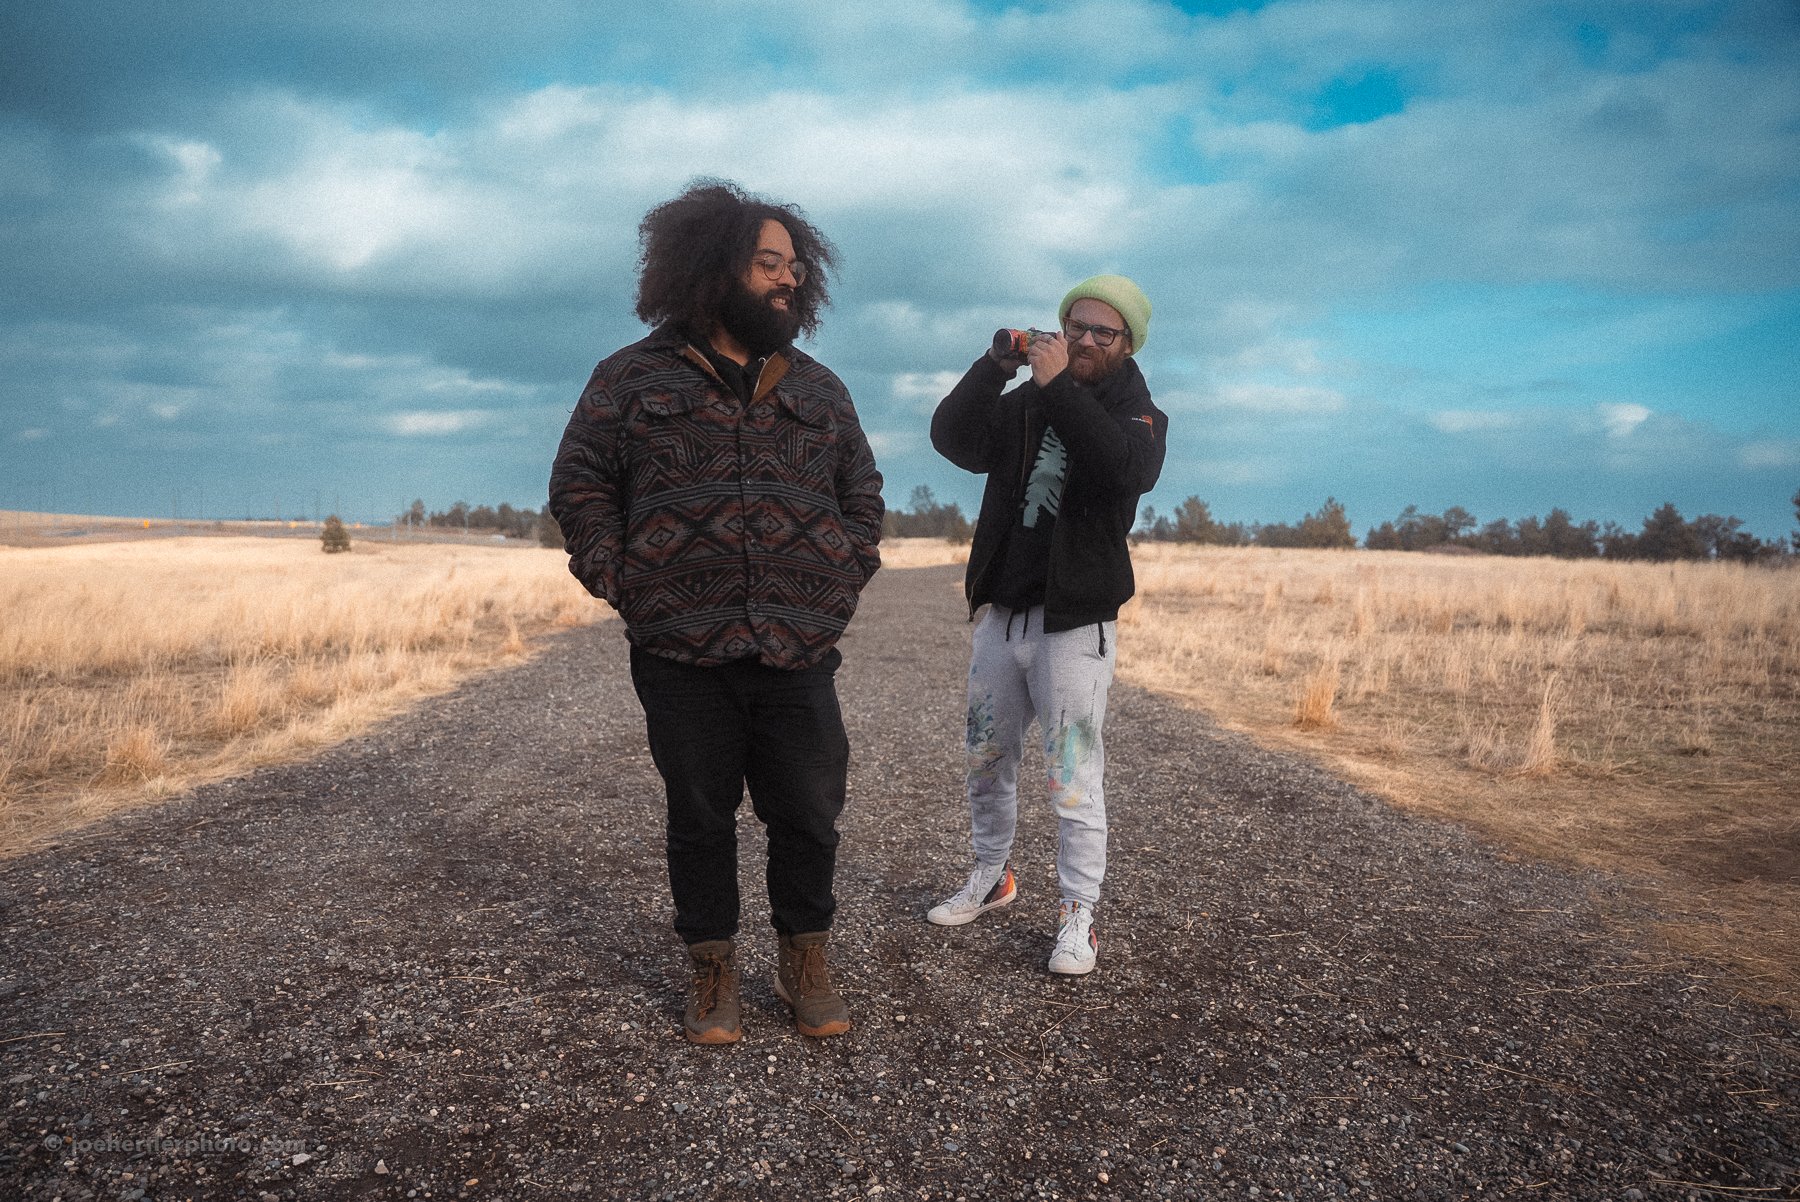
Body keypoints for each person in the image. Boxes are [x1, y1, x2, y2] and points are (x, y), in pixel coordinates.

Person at [549, 181, 883, 1043]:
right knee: (699, 815)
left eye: (794, 266)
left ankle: (806, 956)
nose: (788, 279)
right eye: (768, 263)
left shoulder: (819, 389)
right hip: (680, 649)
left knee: (809, 811)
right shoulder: (629, 379)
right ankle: (712, 973)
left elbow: (862, 493)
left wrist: (840, 577)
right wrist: (624, 576)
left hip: (798, 646)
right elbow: (580, 484)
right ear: (713, 268)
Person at [926, 275, 1165, 976]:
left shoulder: (1140, 415)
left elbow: (1122, 469)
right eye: (1075, 325)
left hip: (1075, 625)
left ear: (1127, 344)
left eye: (1104, 331)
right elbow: (954, 439)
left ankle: (1077, 915)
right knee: (985, 756)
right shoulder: (1026, 402)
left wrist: (1059, 387)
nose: (1086, 339)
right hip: (1004, 613)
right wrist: (993, 369)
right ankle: (992, 875)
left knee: (1071, 775)